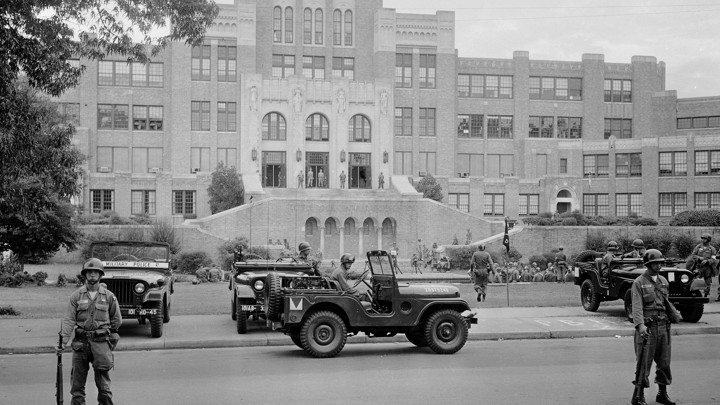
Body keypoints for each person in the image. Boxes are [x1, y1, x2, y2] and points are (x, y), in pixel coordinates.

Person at [58, 258, 122, 405]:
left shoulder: (109, 296)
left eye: (96, 272)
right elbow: (69, 319)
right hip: (81, 344)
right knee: (77, 385)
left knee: (104, 386)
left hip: (101, 343)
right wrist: (63, 342)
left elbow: (116, 320)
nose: (92, 275)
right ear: (85, 274)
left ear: (100, 275)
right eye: (89, 272)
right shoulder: (76, 296)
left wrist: (109, 337)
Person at [630, 249, 681, 405]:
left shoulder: (663, 282)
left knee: (664, 362)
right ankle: (639, 395)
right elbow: (636, 306)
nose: (659, 265)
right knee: (644, 362)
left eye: (660, 263)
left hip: (663, 325)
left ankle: (662, 393)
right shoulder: (639, 282)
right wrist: (640, 326)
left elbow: (666, 302)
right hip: (648, 326)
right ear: (648, 264)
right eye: (655, 263)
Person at [689, 233, 718, 298]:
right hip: (698, 266)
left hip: (708, 267)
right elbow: (693, 255)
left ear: (708, 240)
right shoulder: (698, 247)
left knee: (708, 281)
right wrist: (699, 258)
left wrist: (707, 261)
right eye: (703, 238)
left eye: (705, 239)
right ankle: (694, 293)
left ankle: (706, 294)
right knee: (694, 279)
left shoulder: (712, 249)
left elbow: (713, 258)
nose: (703, 240)